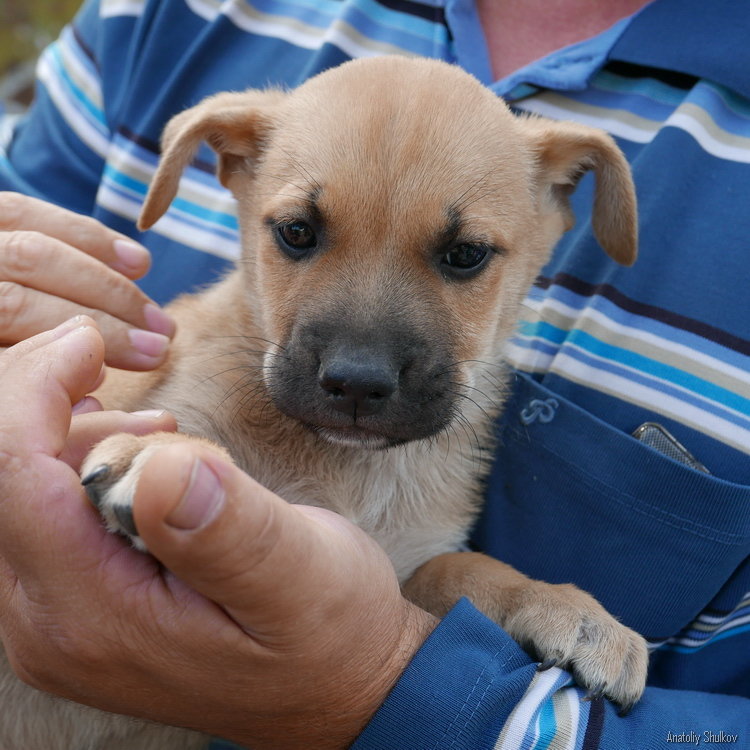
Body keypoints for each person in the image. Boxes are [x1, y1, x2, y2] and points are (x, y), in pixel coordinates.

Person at [0, 0, 748, 747]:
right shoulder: (164, 18)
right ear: (232, 161)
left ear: (562, 199)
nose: (358, 364)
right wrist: (163, 469)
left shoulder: (450, 454)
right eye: (299, 235)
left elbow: (404, 592)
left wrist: (477, 625)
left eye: (460, 257)